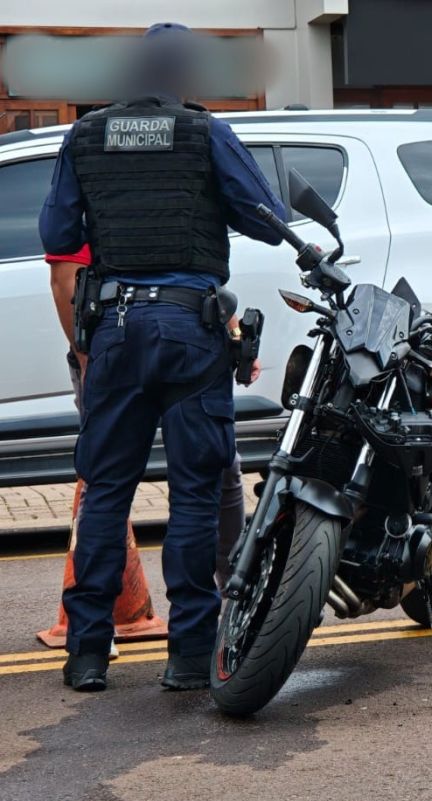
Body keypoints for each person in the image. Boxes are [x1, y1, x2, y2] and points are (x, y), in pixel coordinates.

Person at [39, 22, 287, 692]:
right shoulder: (205, 133)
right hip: (188, 332)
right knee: (197, 492)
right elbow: (266, 214)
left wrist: (83, 344)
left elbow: (59, 235)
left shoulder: (85, 135)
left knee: (106, 494)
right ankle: (187, 657)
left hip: (112, 333)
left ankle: (87, 653)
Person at [47, 245, 251, 588]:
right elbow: (63, 278)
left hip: (173, 332)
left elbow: (201, 270)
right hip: (113, 346)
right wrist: (86, 358)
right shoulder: (97, 194)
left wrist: (232, 331)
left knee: (219, 470)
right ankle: (100, 618)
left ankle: (235, 589)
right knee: (106, 482)